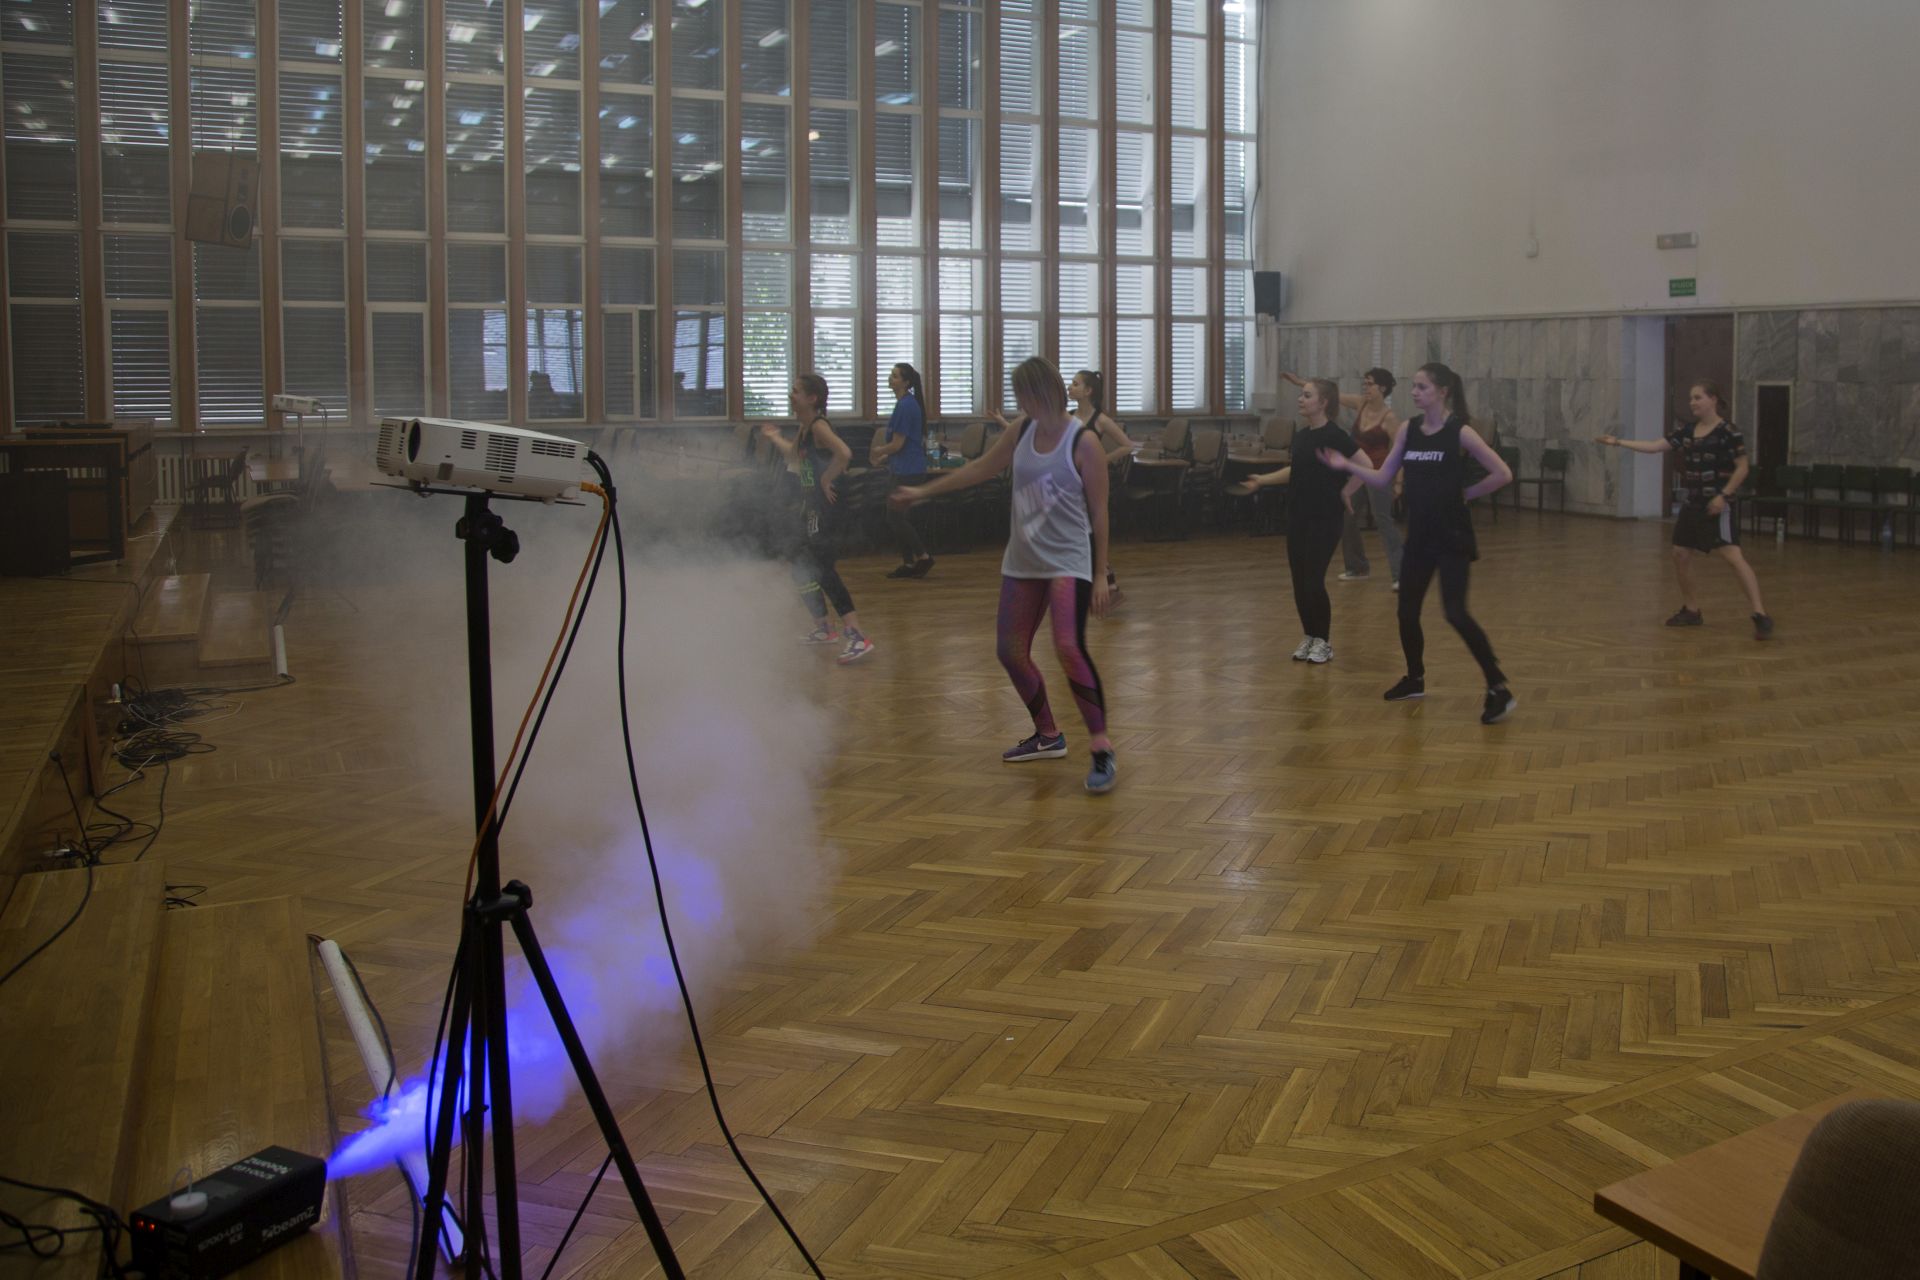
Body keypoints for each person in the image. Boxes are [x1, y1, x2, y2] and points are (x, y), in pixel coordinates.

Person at [892, 356, 1117, 793]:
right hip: (1024, 560)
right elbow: (980, 468)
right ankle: (1047, 735)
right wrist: (922, 491)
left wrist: (1101, 572)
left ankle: (1101, 748)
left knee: (1068, 647)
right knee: (1010, 651)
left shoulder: (1084, 441)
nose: (1020, 403)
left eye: (1024, 395)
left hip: (1068, 561)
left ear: (1043, 391)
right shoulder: (1021, 430)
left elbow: (1101, 511)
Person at [1321, 362, 1519, 724]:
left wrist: (1466, 494)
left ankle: (1498, 687)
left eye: (1422, 387)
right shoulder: (1408, 430)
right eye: (1413, 386)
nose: (1414, 392)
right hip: (1420, 536)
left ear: (1442, 392)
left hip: (1452, 536)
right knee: (1407, 611)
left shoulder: (1460, 432)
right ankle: (1414, 678)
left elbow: (1502, 473)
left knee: (1455, 612)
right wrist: (1346, 466)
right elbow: (1382, 476)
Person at [1599, 381, 1774, 639]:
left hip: (1718, 506)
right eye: (1691, 398)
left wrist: (1723, 495)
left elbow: (1742, 468)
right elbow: (1655, 446)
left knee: (1733, 556)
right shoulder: (1688, 431)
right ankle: (1692, 610)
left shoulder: (1729, 432)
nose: (1692, 402)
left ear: (1713, 399)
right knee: (1680, 554)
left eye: (1698, 397)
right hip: (1693, 504)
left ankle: (1760, 614)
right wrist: (1618, 442)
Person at [1243, 378, 1362, 665]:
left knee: (1313, 580)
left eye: (1307, 395)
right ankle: (1309, 635)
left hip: (1326, 518)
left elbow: (1366, 465)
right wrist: (1263, 480)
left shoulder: (1336, 436)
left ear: (1323, 402)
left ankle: (1323, 641)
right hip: (1298, 516)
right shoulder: (1302, 435)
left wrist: (1347, 491)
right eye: (1301, 394)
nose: (1301, 399)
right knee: (1299, 580)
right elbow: (1295, 470)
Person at [759, 374, 875, 665]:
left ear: (812, 398)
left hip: (827, 508)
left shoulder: (820, 426)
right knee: (800, 565)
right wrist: (774, 437)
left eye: (796, 391)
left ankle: (857, 636)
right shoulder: (805, 427)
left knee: (823, 569)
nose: (791, 395)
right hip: (811, 507)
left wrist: (826, 478)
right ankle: (823, 626)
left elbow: (844, 453)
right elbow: (793, 455)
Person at [1001, 371, 1132, 606]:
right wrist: (1003, 422)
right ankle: (1102, 583)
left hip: (1089, 485)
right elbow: (1027, 432)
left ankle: (1104, 582)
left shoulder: (1100, 420)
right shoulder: (1068, 418)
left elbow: (1126, 445)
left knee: (1088, 534)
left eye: (1075, 384)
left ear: (1088, 391)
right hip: (1068, 486)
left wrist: (1101, 460)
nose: (1070, 388)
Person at [1288, 367, 1405, 588]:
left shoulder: (1390, 418)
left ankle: (1401, 574)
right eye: (1365, 383)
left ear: (1382, 388)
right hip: (1356, 472)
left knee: (1383, 521)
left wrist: (1398, 481)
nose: (1365, 387)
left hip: (1378, 474)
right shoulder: (1361, 403)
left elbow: (1400, 452)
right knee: (1347, 518)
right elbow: (1332, 396)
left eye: (1370, 384)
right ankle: (1357, 567)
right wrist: (1300, 382)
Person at [869, 362, 935, 579]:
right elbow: (900, 445)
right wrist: (885, 457)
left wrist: (879, 451)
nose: (891, 378)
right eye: (891, 374)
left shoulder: (906, 406)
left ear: (906, 382)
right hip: (902, 467)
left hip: (908, 470)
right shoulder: (904, 404)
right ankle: (908, 563)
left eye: (895, 376)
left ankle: (923, 557)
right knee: (897, 518)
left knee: (895, 517)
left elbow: (898, 444)